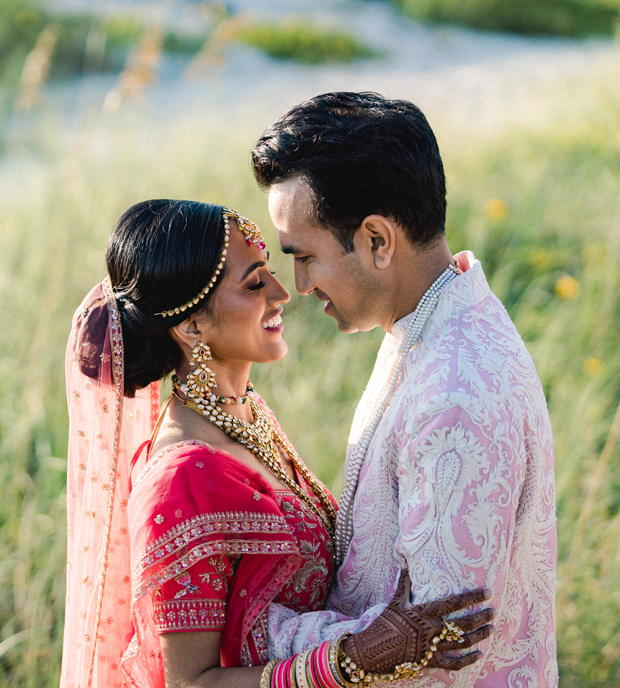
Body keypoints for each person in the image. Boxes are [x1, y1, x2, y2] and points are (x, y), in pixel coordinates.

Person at [61, 200, 495, 688]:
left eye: (269, 270)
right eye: (254, 284)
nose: (283, 292)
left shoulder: (245, 412)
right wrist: (353, 658)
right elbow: (191, 682)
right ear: (191, 325)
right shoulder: (182, 481)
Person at [250, 92, 558, 686]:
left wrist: (259, 629)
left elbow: (438, 652)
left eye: (305, 256)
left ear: (377, 240)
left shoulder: (454, 398)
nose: (299, 285)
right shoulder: (438, 317)